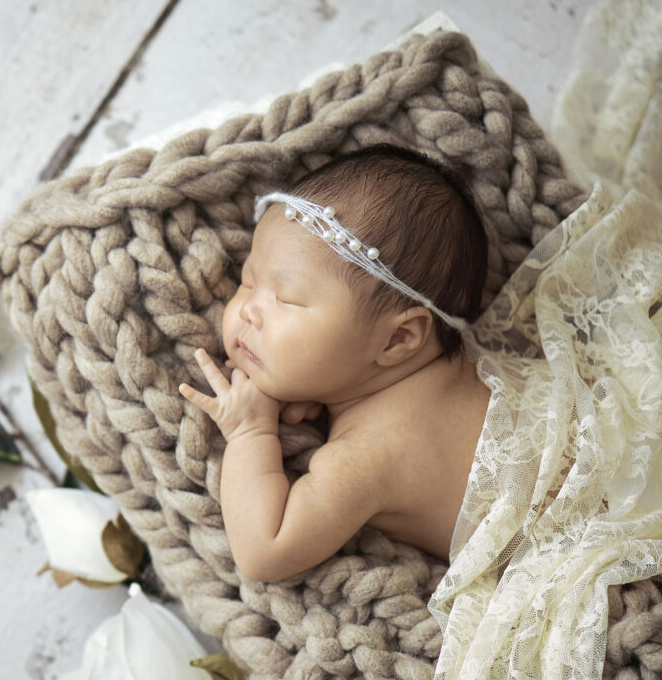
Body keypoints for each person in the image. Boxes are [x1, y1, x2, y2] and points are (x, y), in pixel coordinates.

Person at [179, 144, 493, 582]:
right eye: (248, 281)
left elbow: (264, 554)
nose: (248, 309)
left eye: (286, 299)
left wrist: (252, 431)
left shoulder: (369, 455)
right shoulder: (454, 369)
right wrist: (318, 390)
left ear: (399, 338)